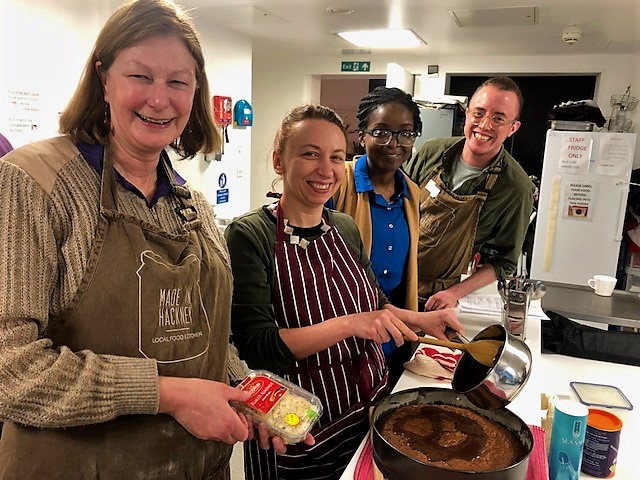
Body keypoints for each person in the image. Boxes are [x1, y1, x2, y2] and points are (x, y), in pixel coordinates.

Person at [0, 1, 305, 478]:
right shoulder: (36, 182)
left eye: (178, 82)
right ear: (104, 78)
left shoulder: (195, 208)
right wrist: (170, 394)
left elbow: (206, 344)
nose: (159, 99)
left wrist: (247, 392)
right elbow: (10, 370)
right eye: (140, 77)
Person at [225, 104, 463, 480]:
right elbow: (259, 346)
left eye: (336, 157)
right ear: (278, 161)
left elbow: (375, 304)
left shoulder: (345, 227)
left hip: (367, 408)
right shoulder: (249, 235)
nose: (326, 170)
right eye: (309, 154)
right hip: (298, 424)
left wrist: (422, 320)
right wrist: (351, 325)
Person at [404, 76, 535, 311]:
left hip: (436, 299)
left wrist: (453, 294)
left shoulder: (515, 188)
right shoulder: (431, 152)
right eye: (479, 113)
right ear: (467, 113)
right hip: (390, 279)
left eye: (498, 118)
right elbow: (395, 208)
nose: (484, 125)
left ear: (512, 127)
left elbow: (505, 261)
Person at [328, 86, 422, 385]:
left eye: (405, 133)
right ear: (362, 135)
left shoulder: (412, 194)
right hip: (341, 334)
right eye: (381, 132)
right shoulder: (336, 181)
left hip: (392, 334)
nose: (393, 143)